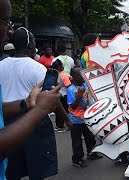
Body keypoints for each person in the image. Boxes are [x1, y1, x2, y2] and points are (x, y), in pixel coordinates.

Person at [0, 0, 62, 179]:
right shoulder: (37, 68)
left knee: (12, 171)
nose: (9, 30)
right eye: (5, 22)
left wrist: (27, 103)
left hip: (9, 123)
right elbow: (50, 99)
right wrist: (42, 110)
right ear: (29, 44)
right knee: (38, 172)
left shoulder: (1, 65)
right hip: (33, 126)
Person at [67, 67, 103, 168]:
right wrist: (79, 96)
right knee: (77, 141)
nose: (82, 76)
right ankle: (77, 159)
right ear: (73, 77)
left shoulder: (85, 85)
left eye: (83, 74)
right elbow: (72, 106)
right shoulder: (71, 89)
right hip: (75, 120)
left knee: (90, 137)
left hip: (86, 118)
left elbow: (90, 99)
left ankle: (92, 153)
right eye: (79, 75)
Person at [51, 59, 72, 132]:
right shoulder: (63, 75)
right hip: (64, 95)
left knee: (58, 110)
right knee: (65, 110)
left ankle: (58, 125)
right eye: (62, 65)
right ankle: (65, 125)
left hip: (57, 94)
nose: (63, 66)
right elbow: (68, 85)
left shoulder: (53, 75)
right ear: (59, 67)